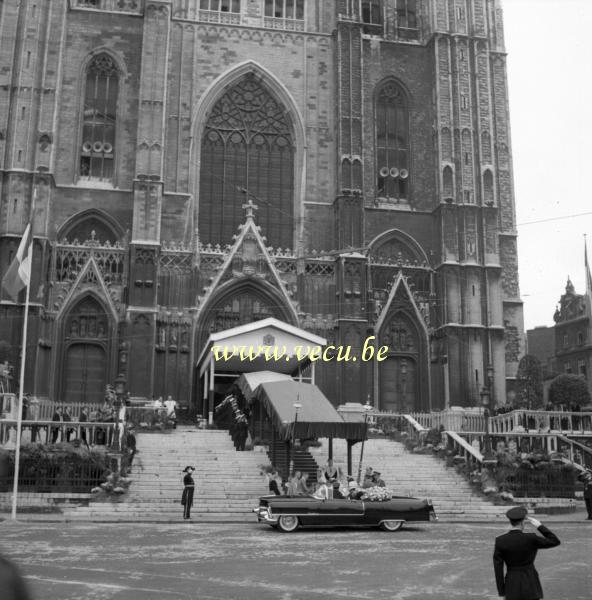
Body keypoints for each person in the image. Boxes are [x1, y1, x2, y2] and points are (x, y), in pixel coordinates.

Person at [493, 506, 560, 600]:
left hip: (512, 584)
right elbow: (555, 541)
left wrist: (501, 592)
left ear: (510, 522)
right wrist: (539, 526)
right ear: (522, 522)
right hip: (531, 582)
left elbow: (498, 569)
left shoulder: (500, 540)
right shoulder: (531, 538)